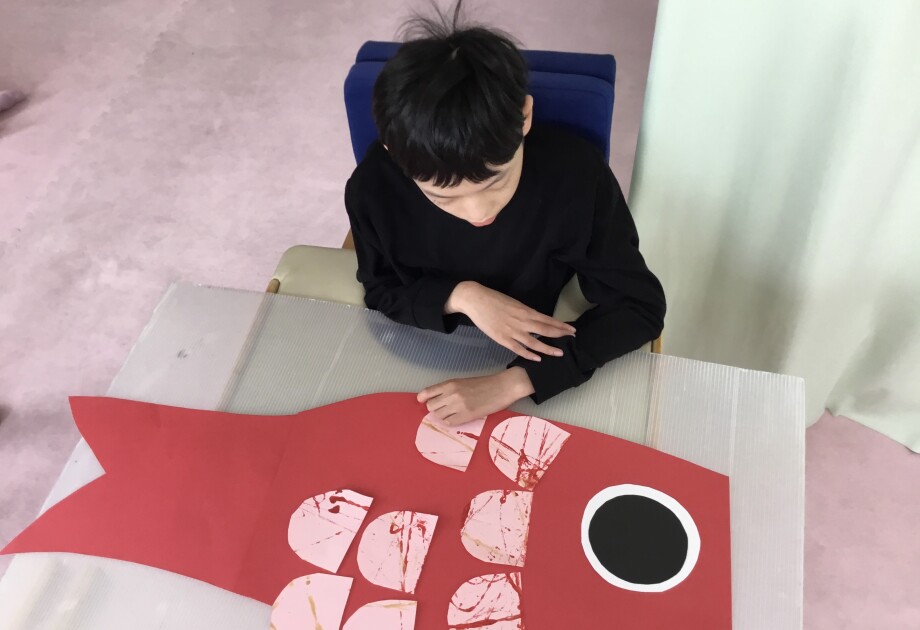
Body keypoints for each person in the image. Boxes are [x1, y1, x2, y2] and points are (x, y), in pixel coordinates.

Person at [345, 3, 665, 426]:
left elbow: (639, 306)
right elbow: (380, 290)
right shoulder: (372, 188)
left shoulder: (576, 177)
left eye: (494, 182)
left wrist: (515, 382)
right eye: (443, 197)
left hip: (524, 351)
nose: (478, 213)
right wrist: (462, 295)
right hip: (413, 344)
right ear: (393, 154)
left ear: (524, 117)